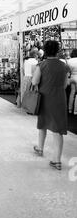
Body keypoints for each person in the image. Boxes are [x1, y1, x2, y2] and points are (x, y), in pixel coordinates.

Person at [32, 40, 70, 170]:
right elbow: (65, 85)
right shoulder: (64, 66)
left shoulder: (41, 65)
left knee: (42, 124)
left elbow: (35, 81)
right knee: (57, 129)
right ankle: (57, 160)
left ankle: (40, 148)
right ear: (58, 50)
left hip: (45, 98)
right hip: (59, 99)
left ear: (45, 50)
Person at [67, 49, 77, 115]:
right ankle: (75, 111)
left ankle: (70, 109)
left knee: (72, 93)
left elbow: (68, 71)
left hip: (72, 77)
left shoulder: (69, 61)